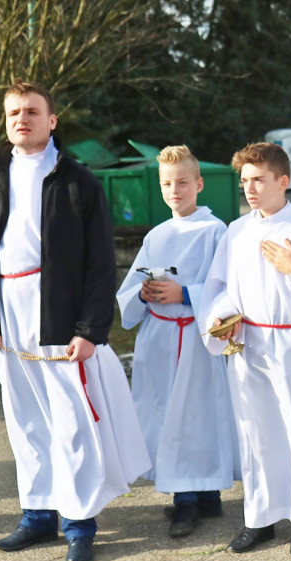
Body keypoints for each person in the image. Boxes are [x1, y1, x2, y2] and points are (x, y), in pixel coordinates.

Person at [0, 81, 149, 561]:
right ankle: (38, 514)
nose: (21, 119)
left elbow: (100, 262)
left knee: (71, 422)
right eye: (13, 113)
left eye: (31, 111)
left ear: (52, 121)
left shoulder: (76, 181)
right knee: (25, 420)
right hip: (8, 312)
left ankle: (80, 522)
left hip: (58, 311)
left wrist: (89, 329)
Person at [198, 142, 291, 559]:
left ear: (283, 181)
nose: (250, 188)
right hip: (248, 344)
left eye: (259, 179)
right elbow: (223, 289)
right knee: (258, 434)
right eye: (244, 180)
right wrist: (220, 319)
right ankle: (261, 517)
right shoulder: (236, 231)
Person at [116, 145, 238, 538]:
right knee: (167, 414)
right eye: (167, 183)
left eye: (183, 182)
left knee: (196, 415)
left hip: (195, 336)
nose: (175, 190)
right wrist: (145, 292)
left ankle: (193, 498)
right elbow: (130, 289)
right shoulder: (157, 234)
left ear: (199, 185)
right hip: (160, 339)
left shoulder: (215, 231)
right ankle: (194, 492)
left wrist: (185, 294)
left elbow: (225, 286)